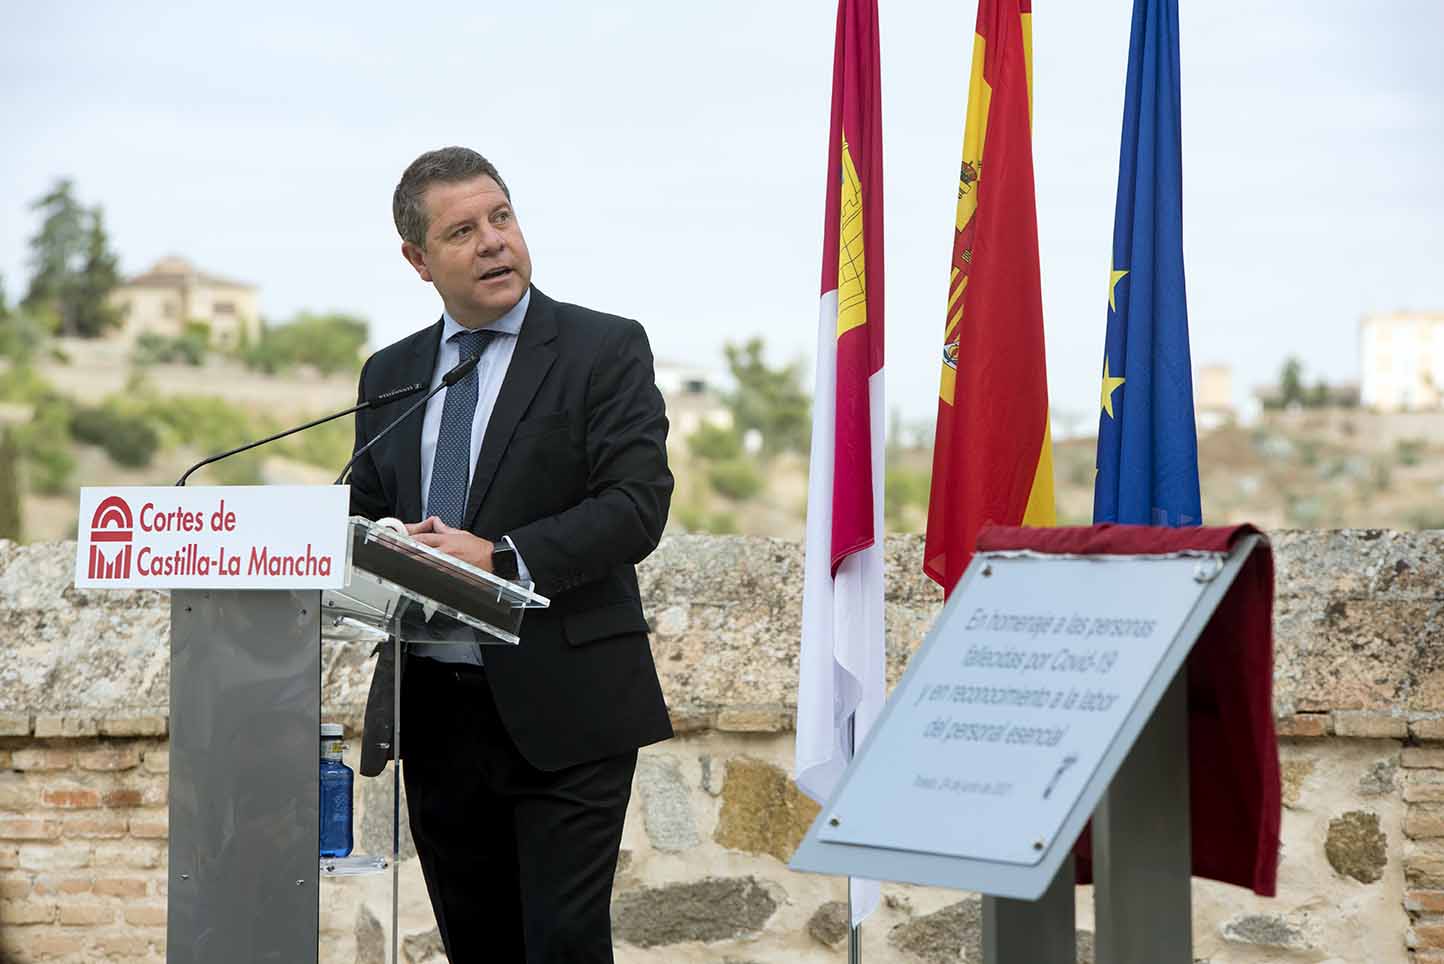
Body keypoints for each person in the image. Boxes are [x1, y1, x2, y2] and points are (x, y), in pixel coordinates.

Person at [348, 146, 674, 963]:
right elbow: (363, 514)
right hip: (438, 714)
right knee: (476, 947)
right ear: (418, 260)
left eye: (502, 217)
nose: (495, 241)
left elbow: (636, 507)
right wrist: (365, 545)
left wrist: (498, 555)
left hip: (568, 707)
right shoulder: (390, 373)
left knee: (562, 946)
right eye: (463, 230)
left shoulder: (603, 348)